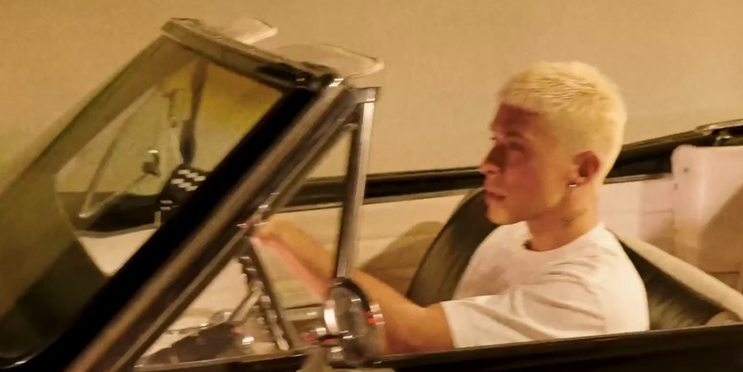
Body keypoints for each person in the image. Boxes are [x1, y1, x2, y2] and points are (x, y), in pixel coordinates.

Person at [254, 61, 650, 353]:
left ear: (582, 169)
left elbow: (408, 340)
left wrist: (278, 232)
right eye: (495, 139)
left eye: (515, 146)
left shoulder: (589, 296)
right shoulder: (512, 234)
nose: (487, 162)